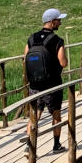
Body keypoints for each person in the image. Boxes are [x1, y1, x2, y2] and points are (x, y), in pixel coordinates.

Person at [24, 8, 67, 153]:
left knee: (35, 114)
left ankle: (28, 145)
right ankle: (56, 145)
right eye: (58, 20)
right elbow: (63, 63)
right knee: (56, 113)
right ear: (52, 21)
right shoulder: (57, 40)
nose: (60, 23)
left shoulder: (31, 38)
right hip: (52, 84)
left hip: (35, 84)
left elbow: (25, 58)